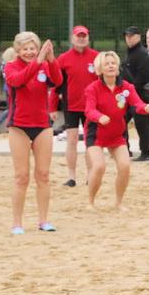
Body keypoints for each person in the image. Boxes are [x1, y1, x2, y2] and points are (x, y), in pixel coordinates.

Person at [3, 32, 63, 234]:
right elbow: (18, 81)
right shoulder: (11, 66)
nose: (29, 52)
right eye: (25, 48)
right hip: (19, 126)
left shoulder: (44, 65)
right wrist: (38, 62)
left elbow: (57, 80)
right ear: (18, 50)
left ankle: (43, 220)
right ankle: (17, 223)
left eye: (33, 48)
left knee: (43, 175)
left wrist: (51, 60)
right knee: (21, 176)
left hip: (42, 125)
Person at [84, 51, 149, 210]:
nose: (110, 66)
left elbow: (137, 104)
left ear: (117, 67)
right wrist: (99, 116)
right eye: (106, 64)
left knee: (125, 166)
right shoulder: (92, 88)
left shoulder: (126, 87)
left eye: (113, 63)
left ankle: (118, 203)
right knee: (99, 166)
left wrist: (145, 107)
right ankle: (90, 202)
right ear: (99, 69)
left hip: (116, 133)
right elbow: (89, 110)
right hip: (96, 134)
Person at [55, 25, 99, 187]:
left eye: (84, 36)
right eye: (78, 36)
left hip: (91, 106)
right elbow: (56, 84)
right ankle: (71, 177)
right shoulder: (63, 59)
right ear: (72, 38)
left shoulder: (96, 57)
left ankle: (90, 175)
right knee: (71, 140)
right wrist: (52, 107)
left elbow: (104, 81)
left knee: (90, 142)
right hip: (71, 105)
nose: (81, 38)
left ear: (88, 38)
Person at [122, 26, 149, 160]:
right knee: (122, 121)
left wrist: (131, 89)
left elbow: (143, 75)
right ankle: (125, 149)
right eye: (127, 36)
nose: (129, 39)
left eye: (131, 36)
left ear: (138, 37)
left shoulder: (141, 53)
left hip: (139, 94)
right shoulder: (130, 52)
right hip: (130, 94)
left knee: (142, 124)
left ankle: (146, 152)